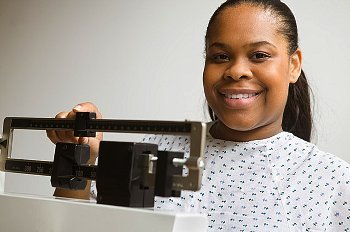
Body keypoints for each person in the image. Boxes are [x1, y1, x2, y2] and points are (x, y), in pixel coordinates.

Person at [47, 0, 350, 231]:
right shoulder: (154, 152)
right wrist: (80, 154)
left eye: (259, 55)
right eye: (220, 56)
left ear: (293, 65)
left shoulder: (334, 182)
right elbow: (78, 226)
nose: (236, 70)